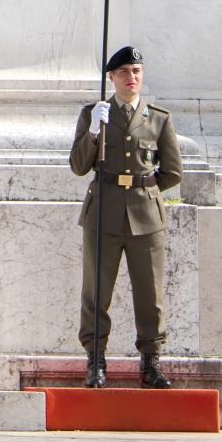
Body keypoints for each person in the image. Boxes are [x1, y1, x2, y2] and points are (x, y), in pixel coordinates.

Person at [70, 46, 182, 389]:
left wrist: (144, 190)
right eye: (123, 72)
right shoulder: (94, 114)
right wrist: (93, 131)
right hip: (103, 213)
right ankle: (96, 360)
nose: (131, 78)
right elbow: (78, 166)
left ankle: (150, 362)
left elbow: (173, 172)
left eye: (136, 71)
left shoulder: (158, 118)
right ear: (111, 77)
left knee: (150, 294)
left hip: (146, 216)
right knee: (97, 292)